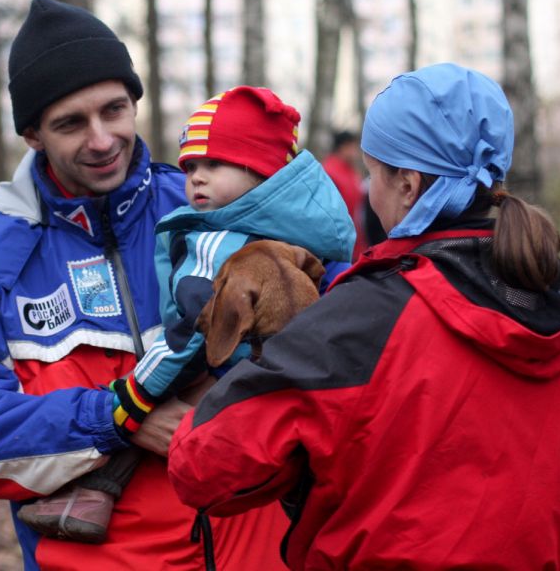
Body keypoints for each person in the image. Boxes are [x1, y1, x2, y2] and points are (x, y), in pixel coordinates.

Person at [168, 63, 560, 570]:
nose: (370, 189)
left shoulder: (359, 318)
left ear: (408, 185)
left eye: (373, 173)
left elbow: (202, 468)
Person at [0, 0, 290, 570]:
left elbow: (327, 320)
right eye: (71, 123)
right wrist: (116, 418)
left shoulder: (211, 208)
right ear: (33, 134)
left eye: (114, 110)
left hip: (259, 551)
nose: (102, 139)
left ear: (134, 103)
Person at [19, 85, 355, 547]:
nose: (196, 179)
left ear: (258, 170)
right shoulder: (299, 226)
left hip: (225, 366)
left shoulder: (216, 242)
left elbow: (190, 333)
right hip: (284, 374)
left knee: (149, 410)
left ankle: (92, 494)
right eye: (191, 167)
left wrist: (134, 394)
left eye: (214, 165)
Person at [322, 130, 369, 258]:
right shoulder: (329, 171)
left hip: (355, 242)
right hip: (338, 245)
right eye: (353, 147)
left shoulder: (351, 171)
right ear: (344, 147)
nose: (356, 152)